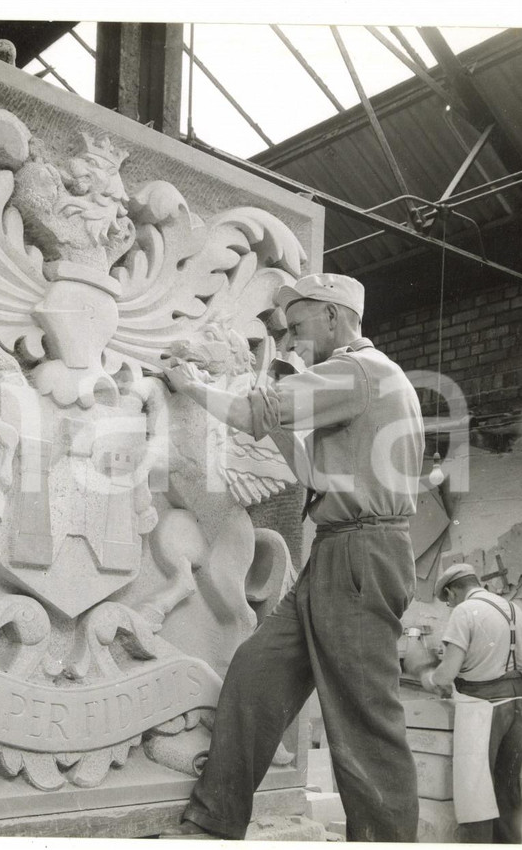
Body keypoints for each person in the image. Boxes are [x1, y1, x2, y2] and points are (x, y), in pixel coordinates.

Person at [162, 272, 425, 841]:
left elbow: (251, 415)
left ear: (334, 317)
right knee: (257, 674)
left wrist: (188, 386)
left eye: (298, 327)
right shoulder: (364, 381)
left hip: (361, 552)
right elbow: (306, 464)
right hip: (339, 549)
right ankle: (216, 817)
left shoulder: (358, 371)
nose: (290, 344)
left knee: (362, 718)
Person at [417, 563, 522, 843]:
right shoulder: (515, 608)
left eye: (447, 600)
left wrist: (427, 677)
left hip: (483, 709)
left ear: (451, 591)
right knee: (508, 789)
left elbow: (446, 675)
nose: (449, 605)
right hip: (518, 705)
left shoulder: (464, 611)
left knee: (475, 792)